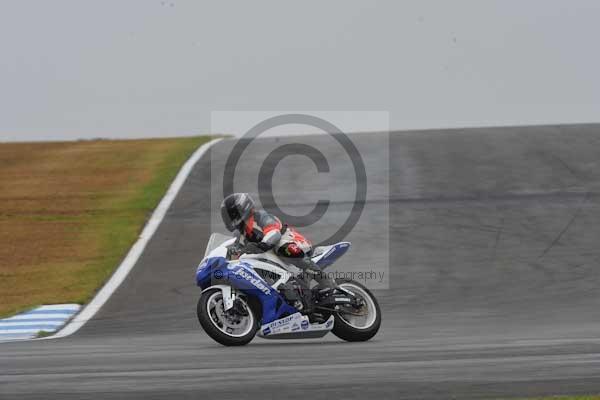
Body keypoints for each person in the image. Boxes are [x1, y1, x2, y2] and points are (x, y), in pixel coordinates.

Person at [220, 193, 313, 267]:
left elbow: (274, 234)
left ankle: (322, 278)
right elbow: (236, 248)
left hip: (295, 243)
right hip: (270, 257)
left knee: (283, 248)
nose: (230, 217)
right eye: (227, 215)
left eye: (232, 214)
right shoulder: (238, 233)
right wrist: (229, 253)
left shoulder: (262, 217)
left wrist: (261, 246)